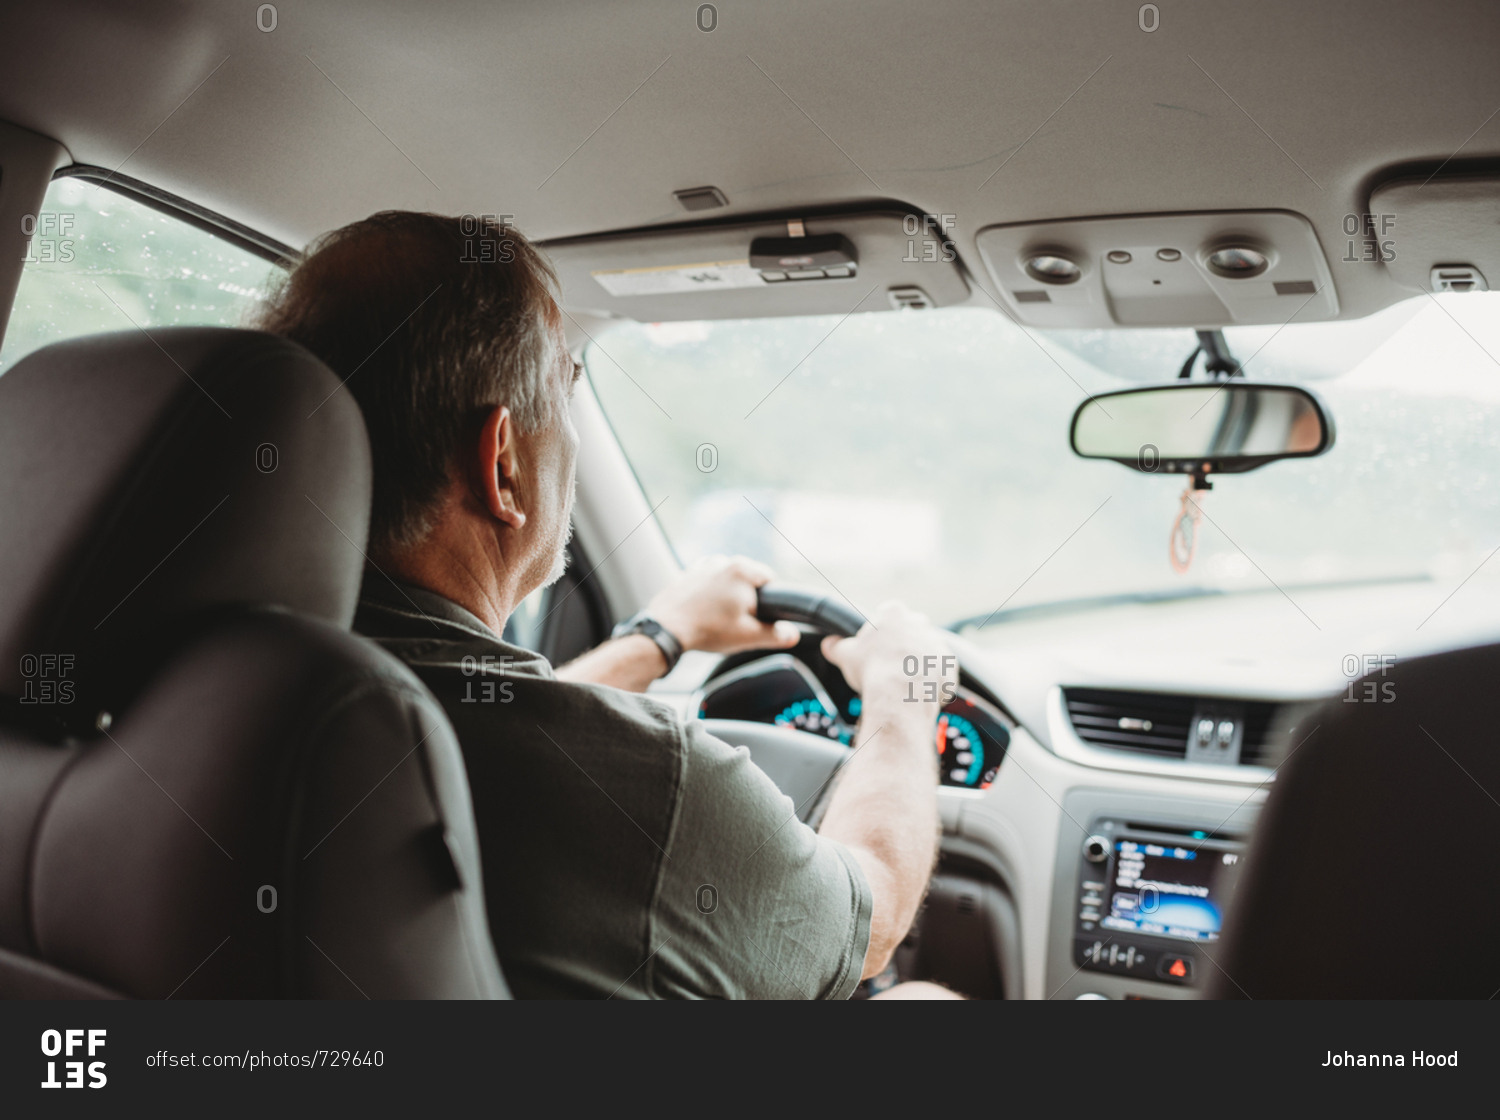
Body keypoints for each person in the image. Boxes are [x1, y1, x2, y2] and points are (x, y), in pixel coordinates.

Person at [257, 212, 959, 999]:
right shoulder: (661, 785)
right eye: (568, 389)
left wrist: (661, 636)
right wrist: (903, 698)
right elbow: (872, 921)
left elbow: (498, 717)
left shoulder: (232, 682)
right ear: (504, 467)